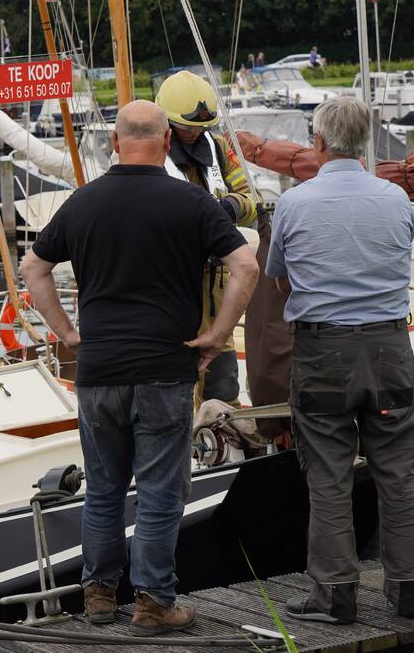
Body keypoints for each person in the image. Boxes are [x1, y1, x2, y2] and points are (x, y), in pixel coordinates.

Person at [19, 100, 259, 635]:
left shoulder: (82, 203)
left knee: (103, 487)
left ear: (114, 143)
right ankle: (153, 604)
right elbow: (246, 264)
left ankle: (99, 598)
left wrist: (69, 333)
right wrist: (218, 335)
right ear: (168, 141)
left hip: (99, 368)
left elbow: (34, 268)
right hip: (164, 368)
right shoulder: (191, 203)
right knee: (157, 489)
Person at [266, 95, 414, 624]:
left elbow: (278, 275)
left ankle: (335, 593)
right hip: (389, 350)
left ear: (318, 142)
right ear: (366, 143)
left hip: (322, 352)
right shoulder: (397, 201)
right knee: (400, 471)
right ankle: (410, 589)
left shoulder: (293, 204)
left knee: (329, 474)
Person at [155, 70, 257, 408]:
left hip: (217, 290)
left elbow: (250, 200)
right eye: (188, 128)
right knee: (178, 393)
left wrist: (229, 207)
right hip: (173, 291)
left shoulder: (217, 147)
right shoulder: (153, 156)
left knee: (224, 388)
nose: (196, 133)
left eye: (202, 127)